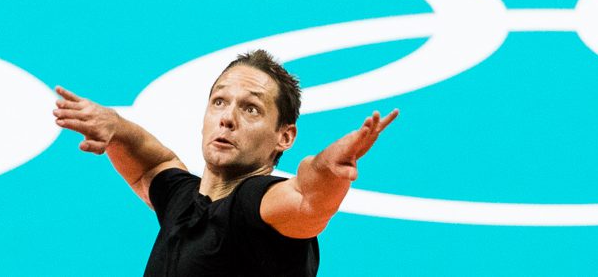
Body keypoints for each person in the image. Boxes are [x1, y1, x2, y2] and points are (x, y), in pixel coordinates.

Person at [53, 49, 399, 277]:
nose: (228, 118)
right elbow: (151, 163)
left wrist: (330, 169)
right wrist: (116, 127)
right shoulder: (182, 202)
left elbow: (307, 198)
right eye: (219, 102)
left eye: (251, 109)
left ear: (285, 136)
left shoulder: (255, 205)